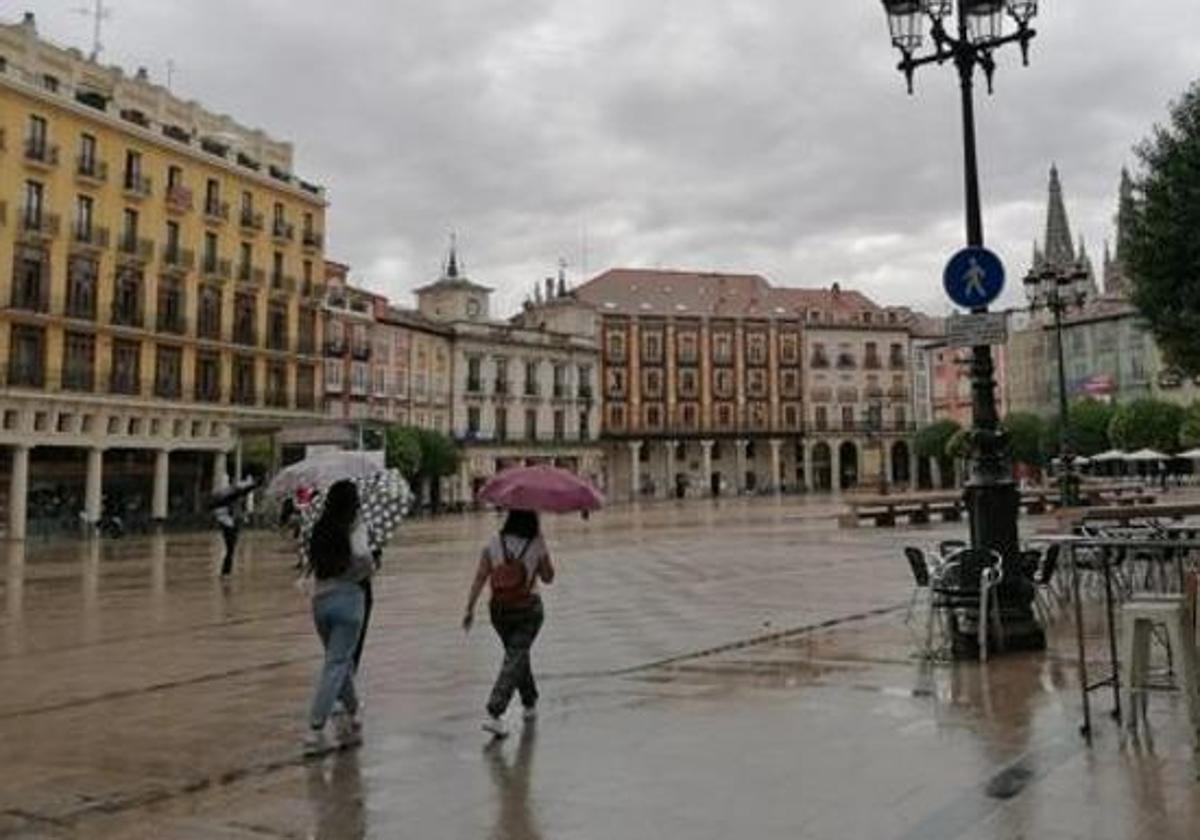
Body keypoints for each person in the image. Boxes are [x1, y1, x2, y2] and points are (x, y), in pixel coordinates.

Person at [463, 509, 555, 738]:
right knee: (516, 656)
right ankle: (495, 712)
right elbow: (548, 577)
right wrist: (541, 552)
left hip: (499, 611)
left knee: (516, 655)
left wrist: (469, 608)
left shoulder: (494, 542)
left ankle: (529, 702)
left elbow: (480, 577)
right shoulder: (536, 542)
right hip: (528, 610)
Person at [304, 480, 373, 755]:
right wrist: (368, 568)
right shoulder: (355, 524)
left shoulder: (319, 527)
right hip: (349, 598)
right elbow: (363, 557)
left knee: (338, 659)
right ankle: (315, 727)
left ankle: (354, 711)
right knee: (336, 663)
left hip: (320, 600)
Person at [213, 476, 256, 577]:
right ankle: (226, 571)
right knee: (230, 548)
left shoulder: (230, 501)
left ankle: (226, 571)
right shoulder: (226, 502)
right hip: (229, 525)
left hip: (231, 524)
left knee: (231, 549)